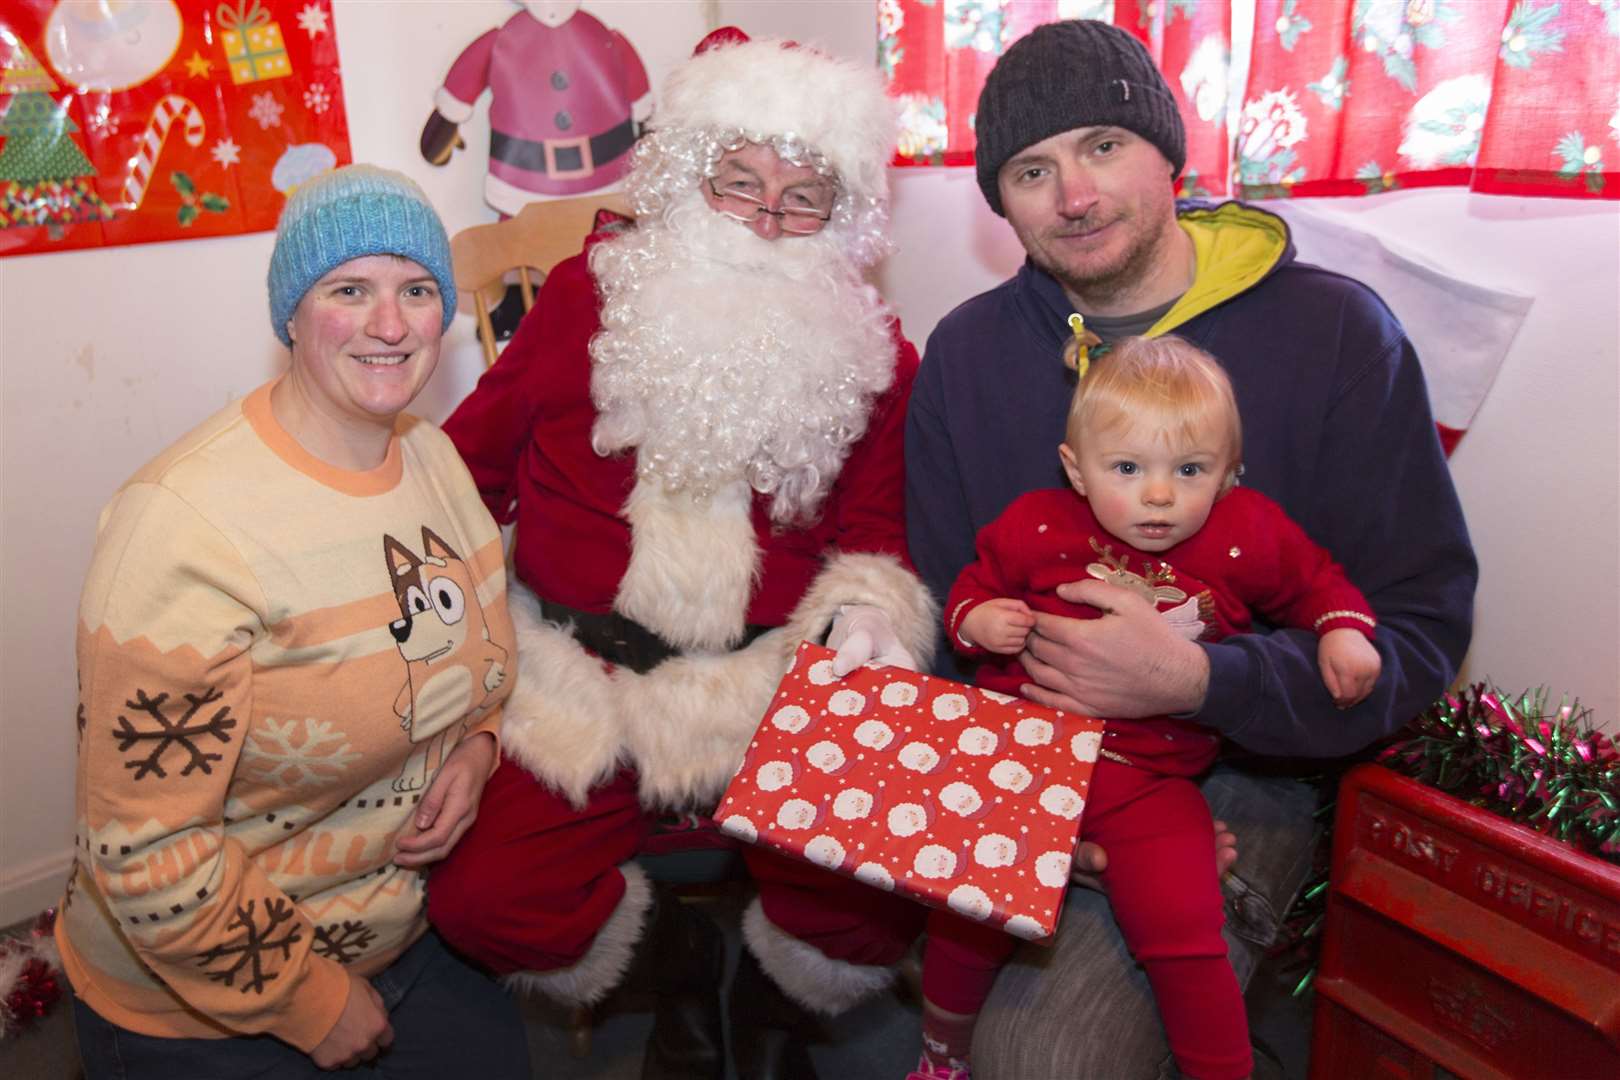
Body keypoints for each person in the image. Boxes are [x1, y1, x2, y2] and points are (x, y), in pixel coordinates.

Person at [904, 19, 1477, 1079]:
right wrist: (1027, 806)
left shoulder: (1337, 335)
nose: (1074, 196)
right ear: (1001, 201)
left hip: (1250, 767)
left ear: (1172, 155)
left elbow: (1418, 634)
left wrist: (1201, 680)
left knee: (1045, 1061)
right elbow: (943, 609)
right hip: (1027, 753)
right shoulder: (969, 355)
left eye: (1104, 147)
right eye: (1033, 170)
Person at [425, 29, 937, 1079]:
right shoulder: (582, 300)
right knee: (486, 905)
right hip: (583, 678)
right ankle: (678, 960)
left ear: (846, 218)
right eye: (737, 182)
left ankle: (764, 993)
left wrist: (874, 614)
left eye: (804, 200)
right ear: (686, 177)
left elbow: (877, 534)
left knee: (888, 896)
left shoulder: (875, 352)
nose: (763, 220)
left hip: (775, 681)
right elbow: (460, 474)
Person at [57, 165, 530, 1078]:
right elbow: (147, 848)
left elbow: (478, 669)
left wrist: (477, 751)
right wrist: (307, 1002)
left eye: (417, 290)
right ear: (293, 315)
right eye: (349, 289)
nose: (390, 325)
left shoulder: (434, 460)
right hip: (206, 992)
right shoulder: (185, 525)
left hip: (403, 930)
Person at [936, 335, 1380, 1080]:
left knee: (1183, 923)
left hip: (1151, 779)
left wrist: (1343, 632)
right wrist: (977, 621)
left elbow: (1316, 581)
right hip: (1021, 760)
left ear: (1230, 475)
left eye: (1190, 470)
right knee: (966, 908)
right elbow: (969, 590)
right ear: (1076, 470)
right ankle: (939, 1057)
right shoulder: (1036, 524)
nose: (1159, 495)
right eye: (1128, 468)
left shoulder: (1248, 535)